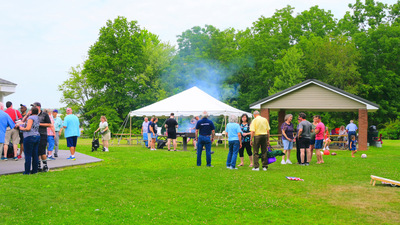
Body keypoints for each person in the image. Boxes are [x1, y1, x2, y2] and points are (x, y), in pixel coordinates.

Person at [19, 106, 40, 175]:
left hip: (29, 136)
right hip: (37, 135)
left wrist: (21, 129)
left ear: (31, 111)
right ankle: (35, 170)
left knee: (28, 155)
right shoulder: (37, 117)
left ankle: (27, 171)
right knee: (35, 154)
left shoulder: (31, 118)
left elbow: (28, 128)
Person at [32, 102, 52, 172]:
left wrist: (39, 124)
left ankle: (45, 165)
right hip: (34, 134)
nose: (33, 108)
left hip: (42, 134)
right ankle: (38, 165)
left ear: (38, 107)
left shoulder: (44, 114)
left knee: (42, 150)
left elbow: (49, 124)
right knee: (36, 151)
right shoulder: (32, 114)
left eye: (34, 107)